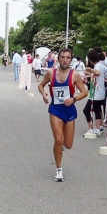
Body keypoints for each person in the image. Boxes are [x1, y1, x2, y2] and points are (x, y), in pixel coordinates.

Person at [38, 48, 87, 182]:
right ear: (58, 59)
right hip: (55, 109)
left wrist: (74, 99)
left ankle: (61, 145)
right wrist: (44, 94)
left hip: (69, 110)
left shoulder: (75, 75)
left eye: (68, 57)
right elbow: (41, 85)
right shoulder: (50, 73)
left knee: (68, 144)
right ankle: (59, 170)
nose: (65, 60)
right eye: (62, 57)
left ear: (71, 60)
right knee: (58, 139)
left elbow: (84, 92)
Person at [83, 49, 107, 137]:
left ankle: (91, 128)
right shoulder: (101, 65)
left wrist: (91, 70)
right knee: (97, 109)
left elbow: (97, 72)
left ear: (91, 60)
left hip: (96, 93)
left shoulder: (97, 66)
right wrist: (105, 77)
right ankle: (98, 128)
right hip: (99, 92)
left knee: (86, 110)